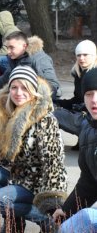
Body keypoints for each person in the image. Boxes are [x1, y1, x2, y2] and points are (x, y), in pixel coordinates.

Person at [0, 66, 67, 233]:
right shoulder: (6, 113)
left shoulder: (44, 119)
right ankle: (14, 222)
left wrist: (52, 203)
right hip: (15, 176)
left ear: (33, 90)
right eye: (14, 87)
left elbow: (53, 163)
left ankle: (45, 219)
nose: (18, 92)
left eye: (24, 87)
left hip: (36, 182)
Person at [52, 67, 97, 228]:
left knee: (83, 220)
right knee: (60, 223)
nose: (94, 100)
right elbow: (89, 182)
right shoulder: (88, 129)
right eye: (89, 94)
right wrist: (66, 210)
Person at [0, 31, 61, 99]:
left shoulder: (40, 59)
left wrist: (35, 102)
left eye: (11, 47)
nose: (8, 52)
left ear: (24, 46)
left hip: (40, 98)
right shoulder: (15, 58)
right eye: (7, 48)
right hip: (24, 94)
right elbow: (5, 78)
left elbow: (52, 85)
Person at [54, 40, 97, 150]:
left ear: (94, 55)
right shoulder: (79, 74)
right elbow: (78, 99)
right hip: (85, 114)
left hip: (90, 117)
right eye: (78, 55)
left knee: (54, 115)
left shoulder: (93, 75)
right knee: (53, 109)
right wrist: (58, 102)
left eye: (85, 55)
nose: (81, 58)